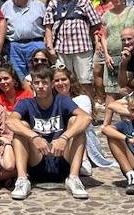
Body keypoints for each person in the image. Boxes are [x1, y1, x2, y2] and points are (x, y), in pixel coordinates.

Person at [7, 67, 91, 201]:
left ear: (52, 84)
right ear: (32, 85)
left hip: (62, 160)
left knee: (76, 122)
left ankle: (74, 178)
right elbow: (10, 121)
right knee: (21, 127)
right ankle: (22, 179)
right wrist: (33, 136)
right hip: (37, 161)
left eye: (44, 83)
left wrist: (64, 137)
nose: (40, 86)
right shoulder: (26, 103)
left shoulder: (62, 100)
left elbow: (86, 118)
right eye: (37, 83)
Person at [42, 0, 104, 104]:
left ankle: (89, 110)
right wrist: (50, 47)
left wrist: (96, 42)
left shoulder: (84, 1)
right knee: (62, 82)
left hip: (82, 48)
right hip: (61, 50)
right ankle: (67, 109)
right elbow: (48, 26)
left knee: (85, 81)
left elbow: (96, 24)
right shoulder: (53, 3)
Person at [1, 0, 46, 80]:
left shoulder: (38, 5)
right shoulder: (6, 6)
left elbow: (47, 26)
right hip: (14, 46)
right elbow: (1, 26)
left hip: (36, 44)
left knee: (39, 74)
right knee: (18, 75)